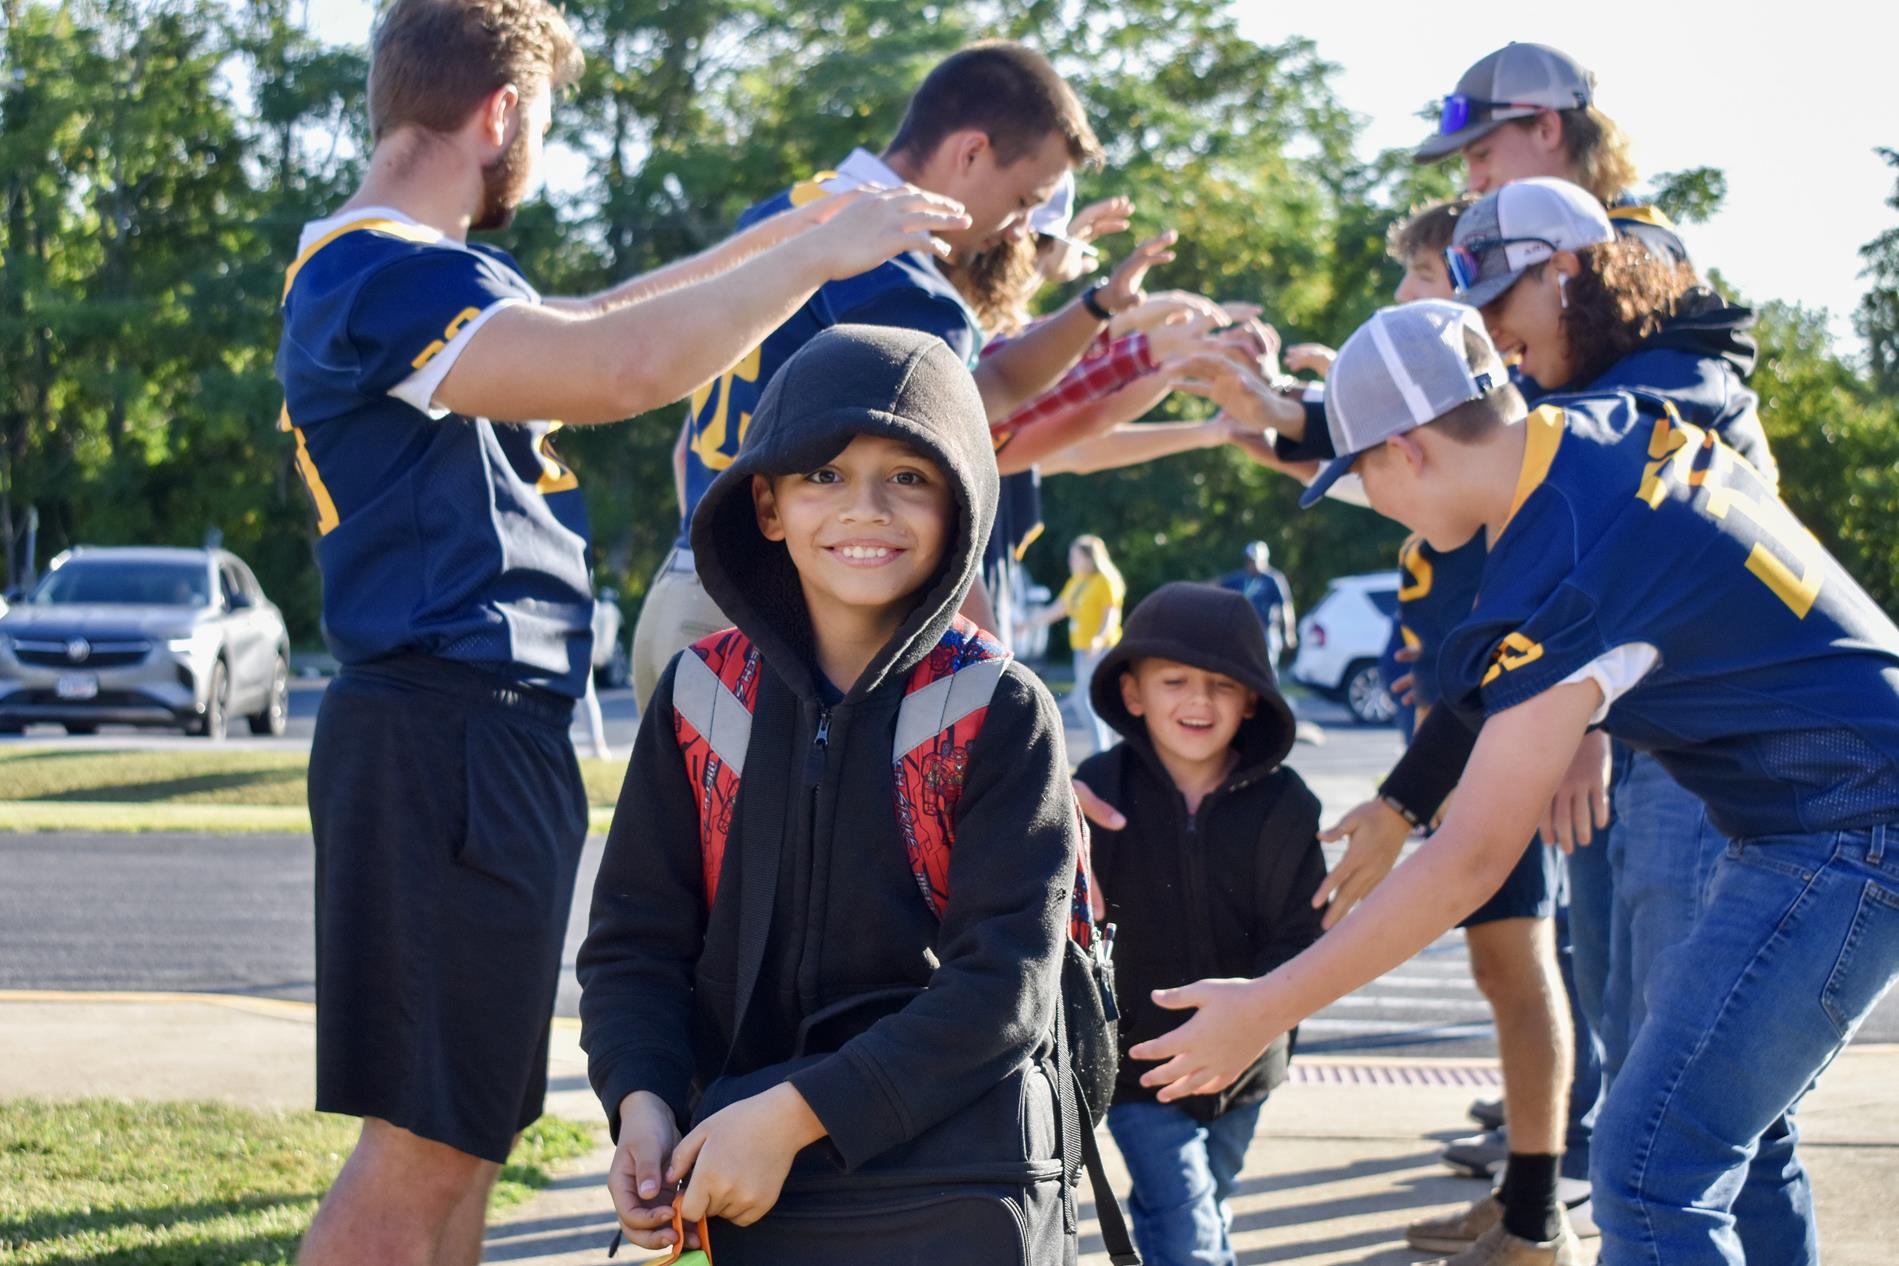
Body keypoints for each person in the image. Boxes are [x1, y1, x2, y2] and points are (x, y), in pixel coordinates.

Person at [274, 1, 969, 1260]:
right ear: (501, 112)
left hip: (478, 727)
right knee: (421, 1143)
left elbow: (605, 318)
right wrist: (817, 260)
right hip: (445, 725)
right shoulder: (379, 267)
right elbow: (620, 369)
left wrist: (805, 234)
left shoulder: (421, 275)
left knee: (468, 1132)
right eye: (537, 120)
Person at [1129, 300, 1899, 1266]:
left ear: (1407, 451)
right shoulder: (1600, 429)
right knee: (1722, 1132)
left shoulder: (1557, 566)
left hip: (1842, 827)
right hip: (1830, 809)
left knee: (1649, 1162)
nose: (1373, 502)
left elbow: (1471, 858)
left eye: (1361, 473)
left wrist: (1267, 1004)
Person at [578, 326, 1083, 1263]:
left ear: (963, 505)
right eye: (823, 476)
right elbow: (633, 947)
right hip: (749, 1190)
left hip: (954, 1186)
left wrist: (793, 1118)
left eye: (909, 476)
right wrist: (640, 1102)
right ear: (764, 505)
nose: (866, 509)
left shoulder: (998, 707)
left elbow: (1003, 987)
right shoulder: (697, 698)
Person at [631, 40, 1172, 704]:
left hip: (686, 594)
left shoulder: (789, 212)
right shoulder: (896, 274)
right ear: (970, 152)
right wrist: (999, 695)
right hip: (774, 630)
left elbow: (986, 392)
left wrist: (1093, 309)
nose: (1019, 228)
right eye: (1025, 198)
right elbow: (939, 492)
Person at [1075, 581, 1324, 1266]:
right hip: (1138, 1070)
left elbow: (1302, 939)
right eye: (1174, 680)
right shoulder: (1094, 792)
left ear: (1251, 700)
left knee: (1201, 1204)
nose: (1197, 700)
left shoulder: (1287, 807)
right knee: (1189, 1229)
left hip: (1248, 1066)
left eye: (1221, 684)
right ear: (1132, 693)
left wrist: (1259, 1024)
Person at [1412, 41, 1687, 266]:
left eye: (1483, 155)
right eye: (1467, 162)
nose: (1474, 184)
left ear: (1546, 129)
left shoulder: (1641, 247)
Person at [1028, 533, 1125, 755]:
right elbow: (1058, 609)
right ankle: (1107, 748)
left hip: (1101, 649)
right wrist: (1027, 624)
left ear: (1090, 558)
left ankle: (1102, 750)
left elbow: (1110, 615)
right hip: (1081, 649)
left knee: (1084, 699)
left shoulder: (1105, 581)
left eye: (1075, 557)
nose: (1071, 561)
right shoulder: (1078, 581)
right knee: (1088, 699)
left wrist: (1099, 639)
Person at [1216, 541, 1296, 668]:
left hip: (1267, 630)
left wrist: (1289, 632)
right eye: (1248, 560)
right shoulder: (1241, 578)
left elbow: (1286, 606)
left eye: (1253, 560)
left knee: (1267, 667)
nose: (1250, 564)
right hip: (1244, 630)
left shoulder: (1273, 579)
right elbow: (1218, 584)